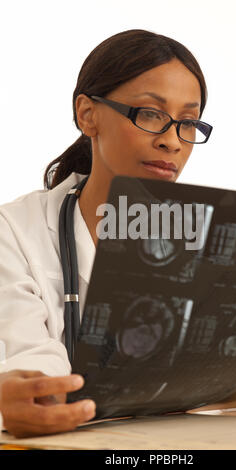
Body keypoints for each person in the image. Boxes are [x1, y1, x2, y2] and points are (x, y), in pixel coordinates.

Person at [0, 29, 214, 438]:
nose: (172, 141)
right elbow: (30, 371)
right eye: (151, 114)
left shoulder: (208, 239)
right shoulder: (14, 233)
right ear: (87, 114)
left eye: (187, 122)